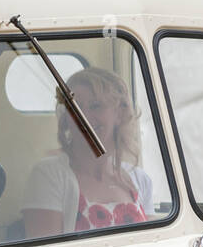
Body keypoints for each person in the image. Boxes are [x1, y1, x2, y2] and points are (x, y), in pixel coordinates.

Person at [21, 68, 154, 238]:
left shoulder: (139, 179)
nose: (83, 116)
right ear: (66, 118)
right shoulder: (49, 175)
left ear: (119, 114)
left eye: (95, 106)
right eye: (75, 107)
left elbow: (153, 243)